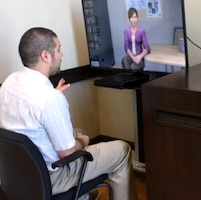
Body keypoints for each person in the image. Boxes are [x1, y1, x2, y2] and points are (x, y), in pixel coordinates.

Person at [0, 27, 137, 200]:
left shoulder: (9, 83)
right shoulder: (49, 99)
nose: (61, 54)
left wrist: (54, 97)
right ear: (45, 56)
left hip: (19, 175)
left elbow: (30, 116)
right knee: (121, 150)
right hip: (52, 178)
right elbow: (68, 153)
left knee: (77, 130)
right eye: (58, 49)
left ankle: (82, 196)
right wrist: (82, 142)